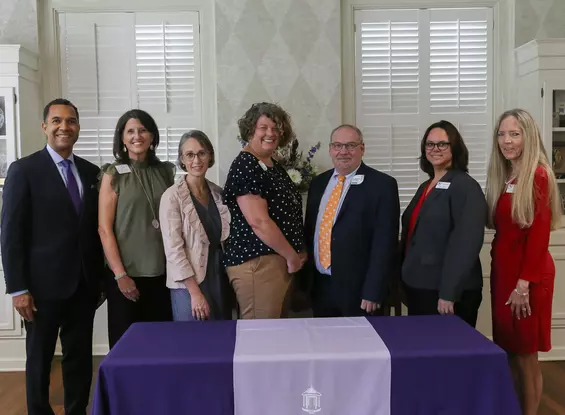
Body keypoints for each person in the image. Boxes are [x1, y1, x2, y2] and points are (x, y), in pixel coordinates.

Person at [0, 98, 105, 415]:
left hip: (83, 286)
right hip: (40, 289)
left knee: (79, 359)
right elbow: (10, 234)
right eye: (57, 120)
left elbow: (94, 231)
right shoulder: (23, 170)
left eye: (71, 121)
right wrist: (18, 288)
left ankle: (76, 411)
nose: (64, 127)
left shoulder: (91, 172)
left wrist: (99, 281)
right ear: (44, 126)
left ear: (77, 128)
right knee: (39, 359)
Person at [486, 109, 561, 415]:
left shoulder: (538, 175)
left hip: (526, 279)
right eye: (502, 134)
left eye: (514, 134)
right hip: (505, 275)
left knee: (526, 355)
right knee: (511, 352)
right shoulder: (507, 177)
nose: (507, 141)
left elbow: (539, 234)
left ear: (528, 137)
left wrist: (523, 285)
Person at [304, 124, 400, 317]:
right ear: (331, 149)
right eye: (338, 145)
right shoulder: (318, 183)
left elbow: (385, 243)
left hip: (360, 292)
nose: (343, 152)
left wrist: (373, 289)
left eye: (350, 145)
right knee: (325, 344)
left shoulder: (382, 185)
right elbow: (310, 231)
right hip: (321, 286)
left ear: (362, 148)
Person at [98, 109, 175, 348]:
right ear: (122, 138)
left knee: (160, 344)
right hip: (126, 275)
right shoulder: (113, 174)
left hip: (162, 274)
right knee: (126, 347)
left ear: (152, 136)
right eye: (130, 131)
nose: (137, 136)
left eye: (142, 130)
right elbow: (104, 228)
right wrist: (120, 275)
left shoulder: (165, 171)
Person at [222, 102, 306, 319]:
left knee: (275, 335)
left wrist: (296, 251)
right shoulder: (245, 164)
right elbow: (258, 221)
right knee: (261, 336)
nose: (271, 133)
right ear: (251, 130)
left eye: (276, 128)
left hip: (277, 261)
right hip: (258, 263)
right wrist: (291, 256)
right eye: (264, 127)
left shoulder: (272, 164)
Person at [399, 120, 487, 327]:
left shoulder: (465, 186)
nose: (435, 149)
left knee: (449, 356)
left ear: (455, 147)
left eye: (442, 144)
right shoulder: (426, 185)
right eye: (429, 144)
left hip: (447, 293)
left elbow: (466, 244)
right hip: (420, 286)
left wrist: (449, 292)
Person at [160, 130, 232, 321]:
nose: (196, 160)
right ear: (182, 159)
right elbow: (174, 250)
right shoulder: (171, 197)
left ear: (210, 156)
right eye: (190, 155)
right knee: (192, 344)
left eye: (202, 153)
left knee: (222, 342)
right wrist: (195, 293)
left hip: (219, 278)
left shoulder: (218, 193)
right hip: (188, 285)